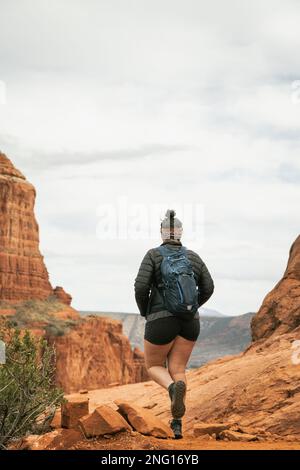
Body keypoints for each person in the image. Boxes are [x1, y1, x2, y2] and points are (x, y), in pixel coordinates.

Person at [134, 209, 214, 439]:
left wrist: (145, 311)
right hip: (190, 322)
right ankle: (177, 425)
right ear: (179, 232)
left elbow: (140, 287)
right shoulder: (194, 257)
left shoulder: (153, 255)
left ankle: (171, 389)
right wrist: (194, 306)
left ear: (162, 233)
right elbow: (208, 287)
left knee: (154, 366)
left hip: (161, 319)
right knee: (178, 369)